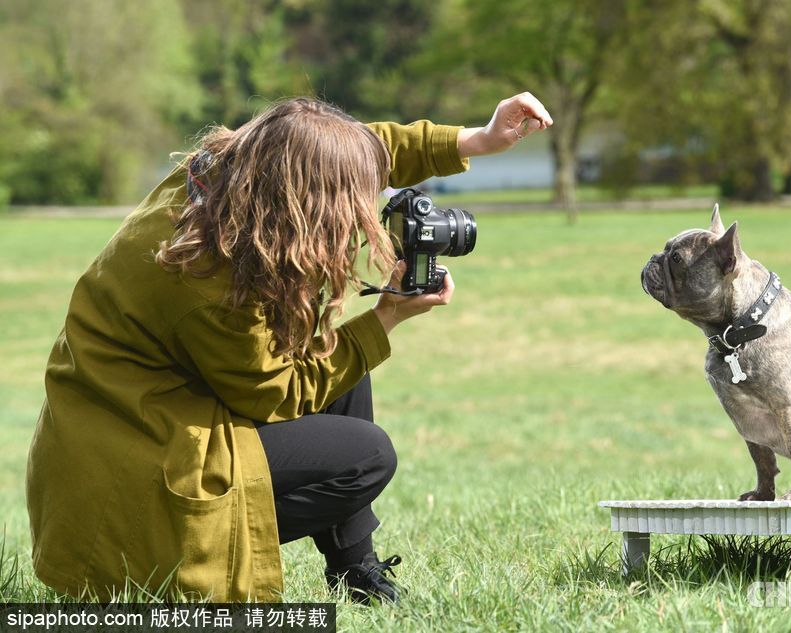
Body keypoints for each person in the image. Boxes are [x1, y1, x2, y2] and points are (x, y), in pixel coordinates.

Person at [26, 93, 553, 603]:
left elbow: (356, 151)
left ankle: (355, 571)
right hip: (137, 465)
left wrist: (478, 139)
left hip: (144, 410)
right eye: (345, 207)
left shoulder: (225, 174)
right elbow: (277, 393)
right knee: (366, 457)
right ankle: (209, 544)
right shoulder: (207, 276)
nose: (355, 217)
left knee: (344, 364)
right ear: (303, 202)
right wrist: (385, 319)